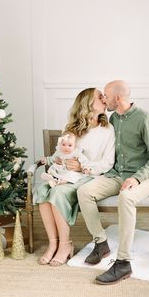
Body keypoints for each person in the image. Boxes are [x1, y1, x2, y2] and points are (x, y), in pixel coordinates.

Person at [77, 80, 149, 285]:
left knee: (125, 198)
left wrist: (137, 178)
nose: (103, 99)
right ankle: (101, 243)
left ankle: (124, 262)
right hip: (117, 175)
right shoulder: (113, 119)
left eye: (105, 96)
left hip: (142, 178)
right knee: (84, 191)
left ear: (117, 98)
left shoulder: (145, 119)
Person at [35, 87, 115, 267]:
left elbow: (108, 162)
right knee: (42, 191)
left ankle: (65, 245)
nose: (104, 98)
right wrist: (59, 160)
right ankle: (53, 243)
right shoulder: (71, 128)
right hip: (66, 175)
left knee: (58, 194)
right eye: (99, 96)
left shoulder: (107, 129)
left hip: (89, 177)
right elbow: (61, 152)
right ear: (88, 103)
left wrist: (84, 167)